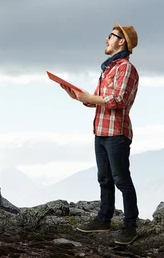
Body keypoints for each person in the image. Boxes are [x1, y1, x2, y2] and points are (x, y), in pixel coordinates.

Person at [60, 23, 140, 245]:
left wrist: (89, 98)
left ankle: (130, 226)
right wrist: (76, 96)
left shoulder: (125, 68)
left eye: (110, 36)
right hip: (101, 131)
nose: (106, 40)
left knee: (121, 180)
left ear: (121, 41)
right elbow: (96, 102)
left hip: (117, 133)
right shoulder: (108, 69)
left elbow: (118, 100)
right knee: (104, 178)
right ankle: (103, 221)